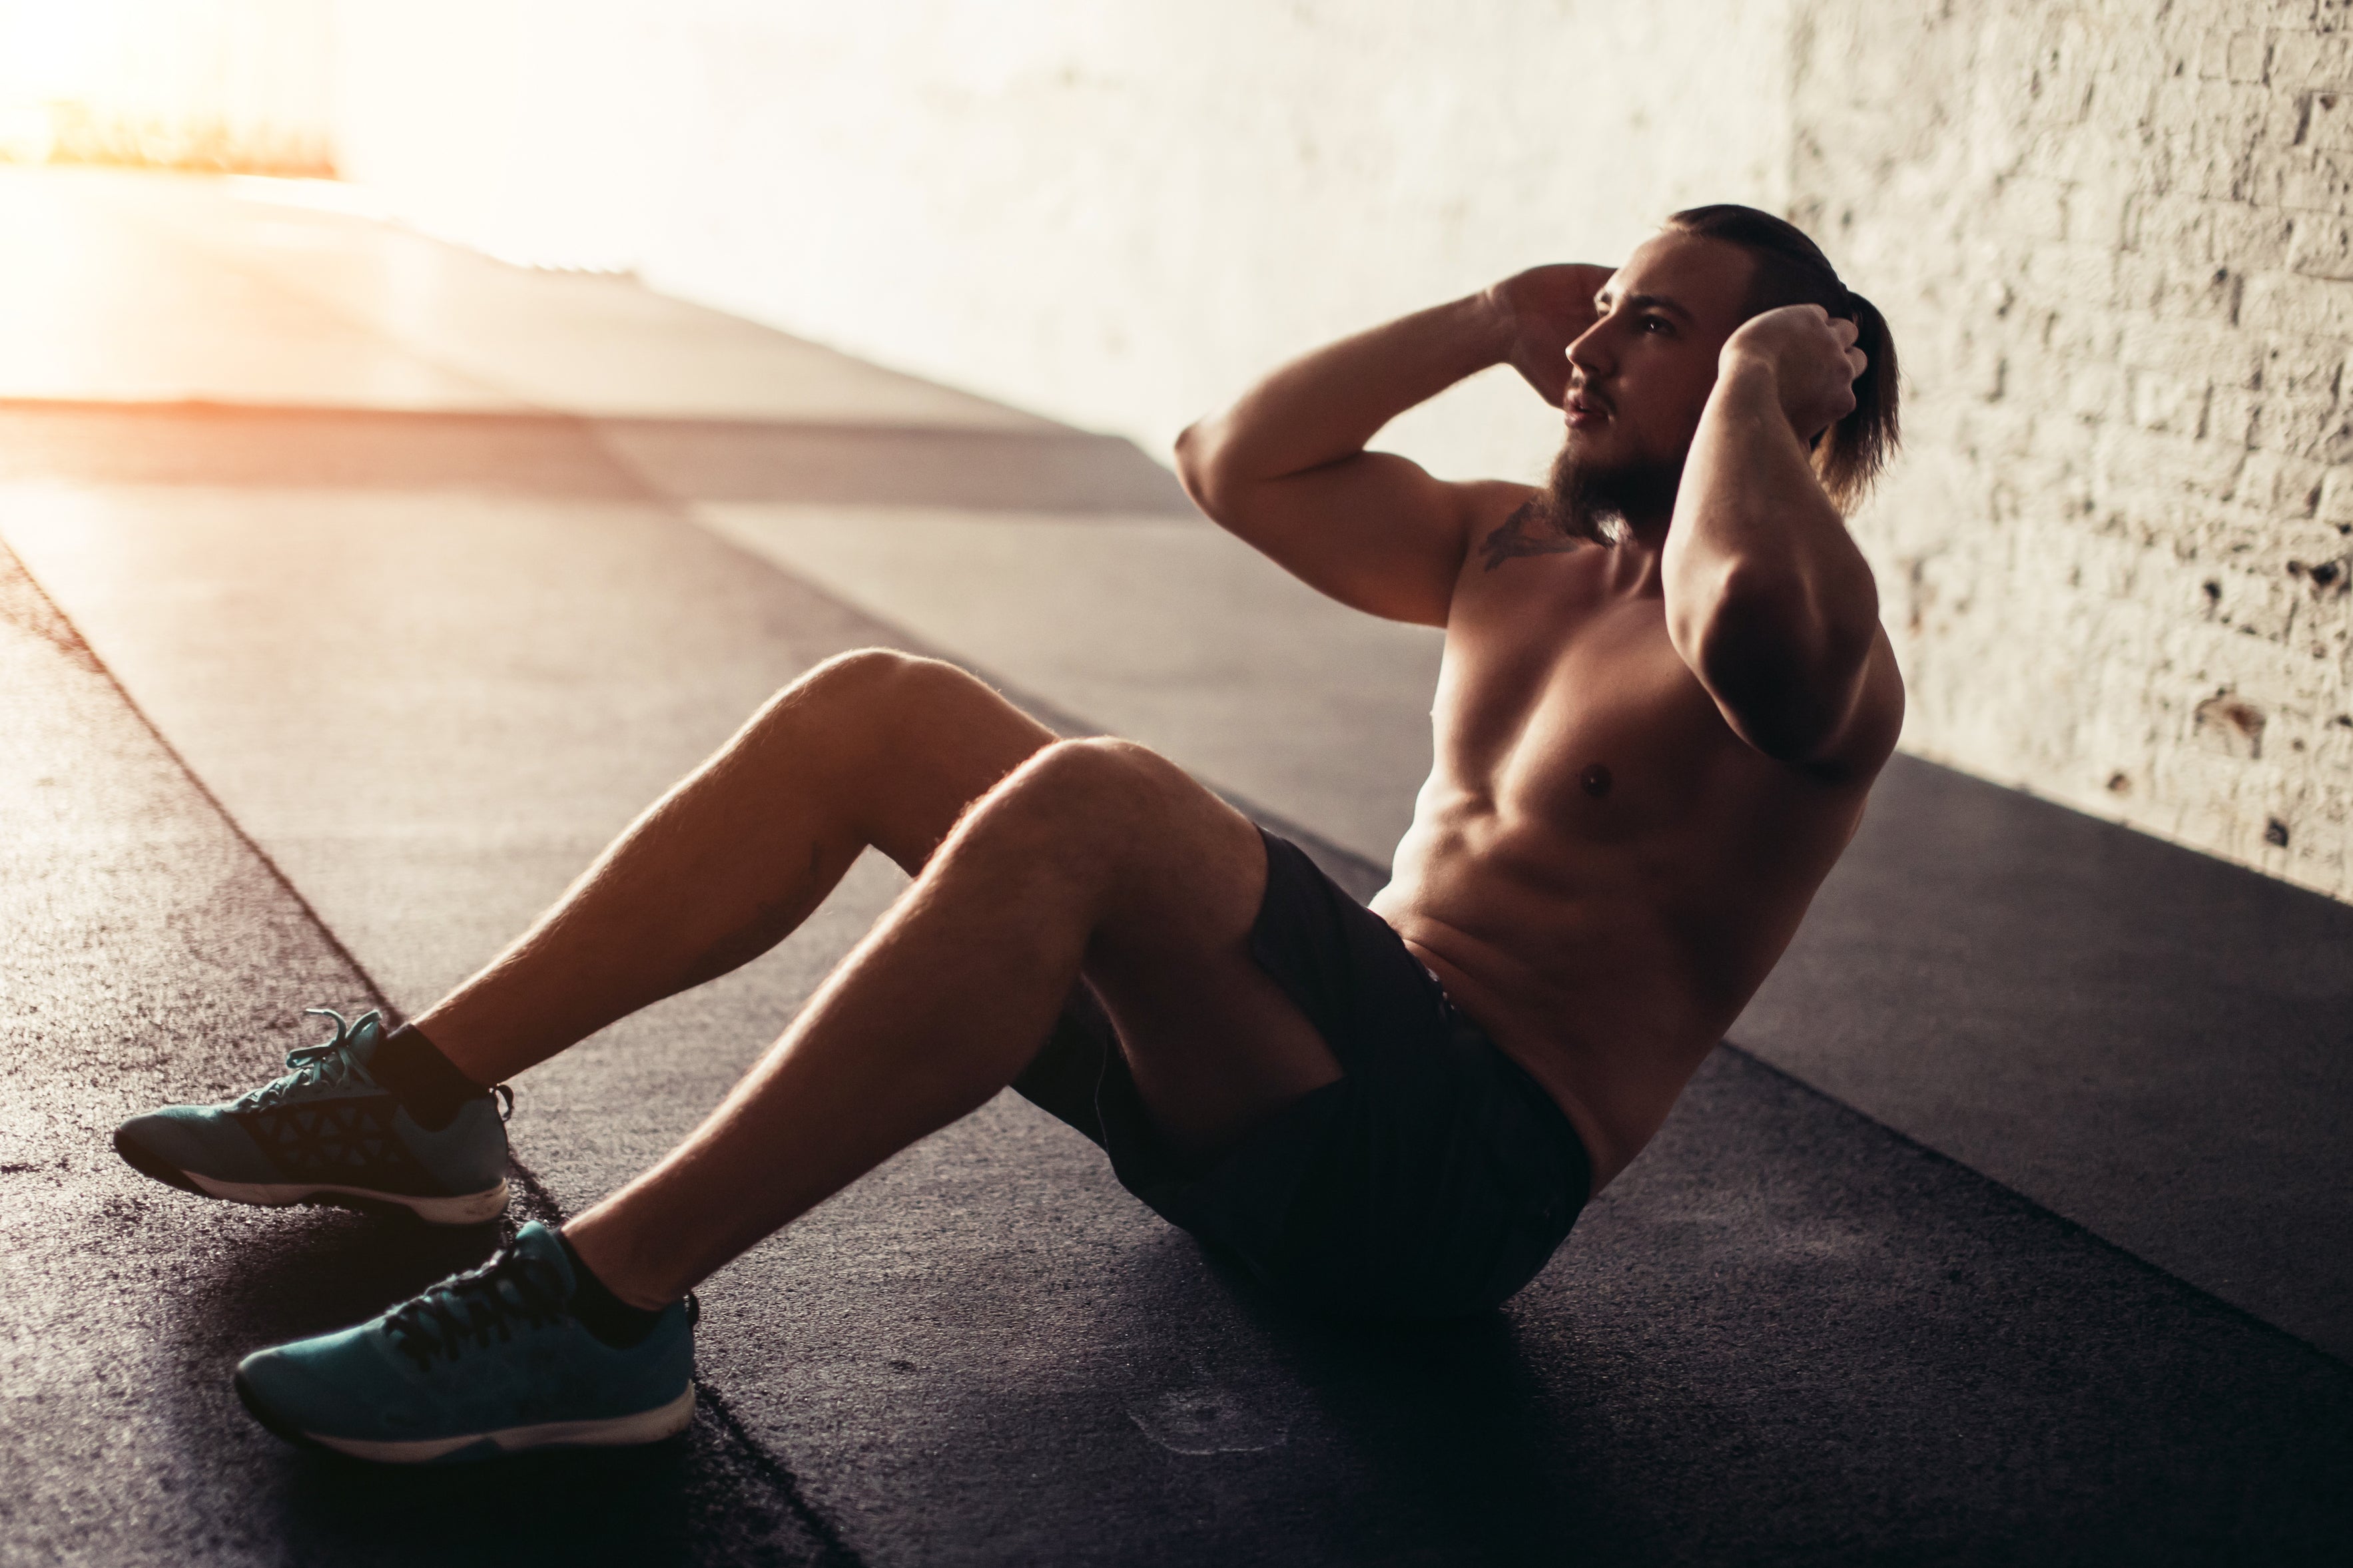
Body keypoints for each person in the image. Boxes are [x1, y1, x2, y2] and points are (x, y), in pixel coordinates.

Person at [113, 204, 1905, 1465]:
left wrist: (1756, 382)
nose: (1594, 345)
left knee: (1096, 802)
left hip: (1444, 1190)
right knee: (880, 708)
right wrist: (1481, 321)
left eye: (1647, 324)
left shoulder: (1816, 639)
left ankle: (595, 1307)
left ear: (1773, 379)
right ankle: (425, 1090)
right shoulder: (1513, 549)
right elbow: (1232, 459)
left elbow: (1745, 626)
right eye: (1607, 311)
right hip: (1278, 1091)